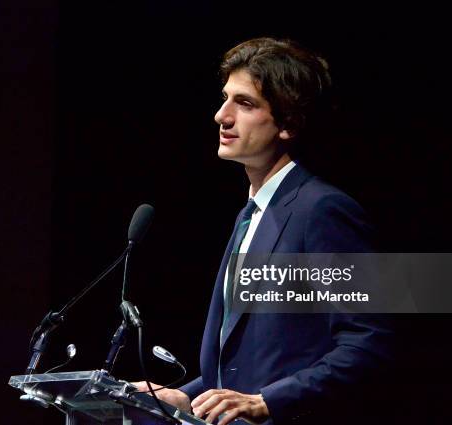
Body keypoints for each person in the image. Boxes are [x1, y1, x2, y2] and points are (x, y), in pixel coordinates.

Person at [135, 37, 393, 425]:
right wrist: (186, 397)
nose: (222, 116)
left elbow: (367, 342)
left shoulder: (322, 210)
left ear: (289, 122)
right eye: (225, 98)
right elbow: (245, 369)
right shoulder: (250, 215)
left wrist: (267, 402)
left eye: (245, 103)